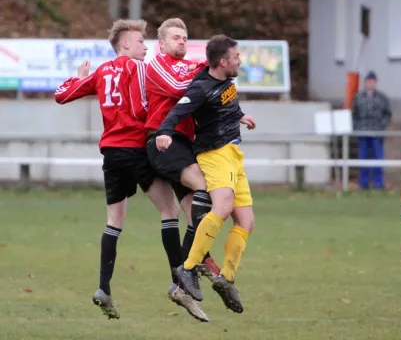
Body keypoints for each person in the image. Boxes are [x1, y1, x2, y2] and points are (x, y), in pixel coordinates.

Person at [54, 19, 207, 321]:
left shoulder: (100, 72)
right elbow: (146, 108)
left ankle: (103, 288)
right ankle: (180, 282)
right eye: (140, 41)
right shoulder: (142, 69)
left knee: (114, 221)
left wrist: (77, 78)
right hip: (136, 147)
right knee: (169, 212)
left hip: (110, 151)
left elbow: (61, 94)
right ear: (125, 43)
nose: (145, 47)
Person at [156, 34, 256, 314]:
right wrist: (164, 133)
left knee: (246, 221)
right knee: (222, 207)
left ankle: (226, 279)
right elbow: (178, 111)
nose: (240, 61)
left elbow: (224, 105)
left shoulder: (225, 81)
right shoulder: (200, 88)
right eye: (236, 57)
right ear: (223, 62)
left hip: (234, 155)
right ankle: (188, 268)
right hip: (215, 154)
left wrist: (240, 115)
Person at [145, 18, 220, 283]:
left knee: (195, 212)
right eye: (176, 37)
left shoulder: (188, 66)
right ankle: (191, 265)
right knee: (203, 188)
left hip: (184, 143)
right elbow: (179, 87)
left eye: (185, 38)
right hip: (163, 139)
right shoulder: (157, 64)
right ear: (162, 43)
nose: (181, 42)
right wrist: (201, 70)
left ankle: (187, 273)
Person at [351, 71, 392, 189]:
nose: (370, 84)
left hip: (376, 133)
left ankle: (378, 183)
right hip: (362, 132)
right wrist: (357, 127)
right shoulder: (358, 97)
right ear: (365, 83)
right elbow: (354, 115)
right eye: (368, 82)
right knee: (363, 158)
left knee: (377, 158)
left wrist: (381, 126)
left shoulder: (382, 98)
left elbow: (387, 114)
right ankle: (363, 183)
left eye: (372, 82)